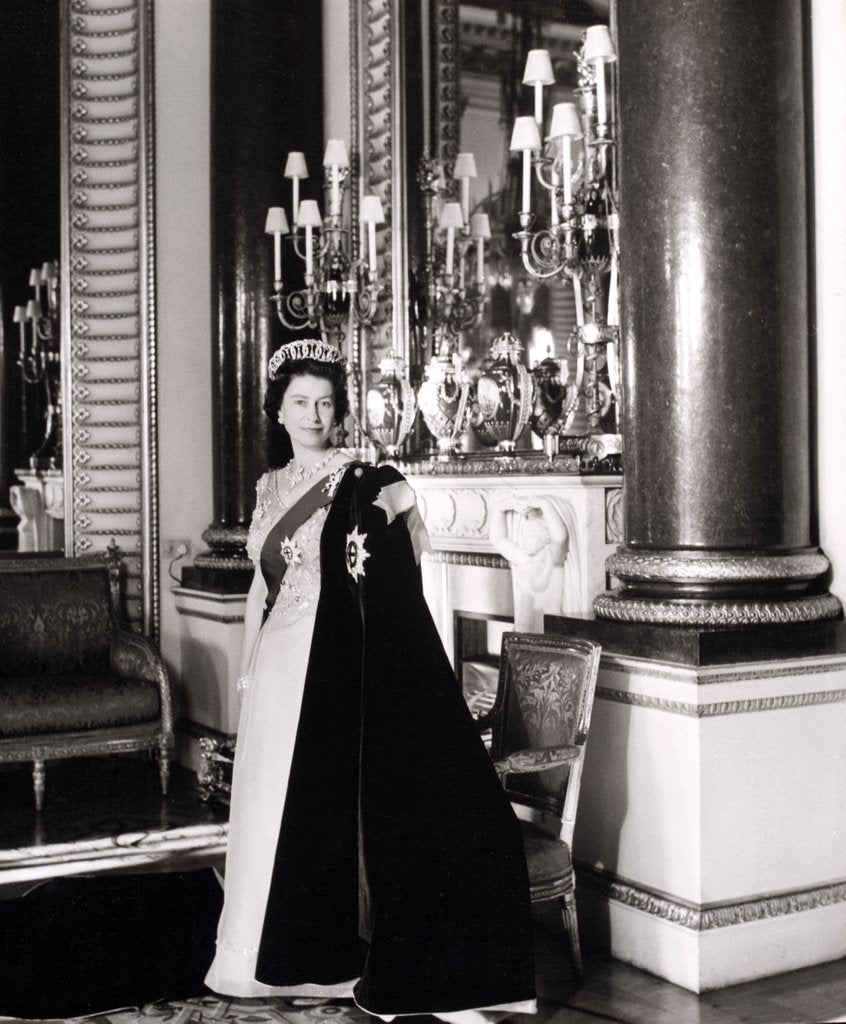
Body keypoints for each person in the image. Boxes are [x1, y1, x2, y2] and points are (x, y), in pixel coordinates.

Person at [205, 338, 537, 1023]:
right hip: (274, 661)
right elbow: (257, 591)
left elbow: (405, 523)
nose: (313, 415)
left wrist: (400, 495)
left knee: (315, 811)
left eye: (324, 404)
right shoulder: (269, 488)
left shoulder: (355, 476)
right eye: (299, 403)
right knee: (266, 804)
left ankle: (317, 953)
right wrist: (245, 668)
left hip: (325, 661)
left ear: (338, 411)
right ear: (278, 411)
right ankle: (250, 955)